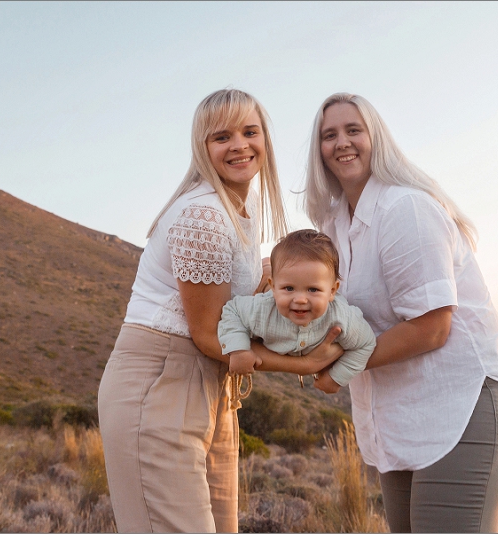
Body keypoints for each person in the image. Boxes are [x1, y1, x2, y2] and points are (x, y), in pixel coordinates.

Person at [97, 89, 343, 533]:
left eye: (250, 132)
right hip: (161, 385)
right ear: (202, 147)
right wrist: (304, 363)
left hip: (213, 389)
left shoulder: (238, 214)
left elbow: (227, 302)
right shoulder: (205, 217)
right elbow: (208, 336)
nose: (239, 146)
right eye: (221, 136)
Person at [304, 92, 498, 533]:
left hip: (461, 402)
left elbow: (432, 327)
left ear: (378, 138)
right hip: (400, 417)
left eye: (354, 130)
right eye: (329, 135)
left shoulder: (404, 208)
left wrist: (337, 364)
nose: (342, 143)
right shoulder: (333, 226)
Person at [218, 229, 376, 397]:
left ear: (332, 291)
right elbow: (232, 311)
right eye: (289, 288)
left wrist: (337, 377)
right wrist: (238, 349)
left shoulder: (343, 318)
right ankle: (265, 273)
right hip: (265, 295)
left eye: (313, 289)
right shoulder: (261, 310)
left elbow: (366, 344)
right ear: (274, 286)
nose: (300, 299)